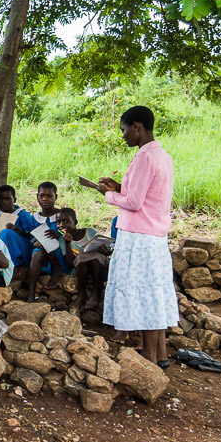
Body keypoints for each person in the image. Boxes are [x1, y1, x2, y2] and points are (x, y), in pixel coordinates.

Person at [90, 105, 177, 368]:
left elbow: (136, 202)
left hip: (138, 237)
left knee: (143, 296)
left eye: (124, 129)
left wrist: (107, 194)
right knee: (154, 293)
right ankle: (160, 355)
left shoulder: (144, 157)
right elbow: (147, 194)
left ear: (137, 126)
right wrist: (119, 187)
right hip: (155, 236)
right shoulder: (162, 155)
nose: (123, 135)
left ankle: (148, 359)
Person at [55, 208, 112, 312]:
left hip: (99, 268)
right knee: (81, 258)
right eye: (58, 222)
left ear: (75, 222)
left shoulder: (90, 232)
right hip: (82, 270)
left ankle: (96, 291)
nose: (61, 225)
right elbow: (71, 264)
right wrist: (68, 244)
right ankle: (82, 293)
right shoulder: (62, 241)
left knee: (94, 258)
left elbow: (107, 251)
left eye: (66, 221)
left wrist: (104, 249)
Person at [24, 182, 69, 301]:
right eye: (41, 196)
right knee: (37, 251)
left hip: (60, 256)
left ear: (56, 197)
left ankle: (58, 271)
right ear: (37, 197)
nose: (45, 199)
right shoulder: (33, 219)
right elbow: (32, 237)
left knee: (45, 244)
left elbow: (71, 232)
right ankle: (31, 293)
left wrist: (58, 234)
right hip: (43, 259)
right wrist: (37, 242)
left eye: (49, 196)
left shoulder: (62, 216)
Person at [0, 184, 37, 268]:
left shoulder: (22, 215)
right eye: (0, 199)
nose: (3, 202)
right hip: (4, 251)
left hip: (24, 250)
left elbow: (32, 237)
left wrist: (17, 230)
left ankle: (14, 265)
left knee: (7, 233)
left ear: (14, 200)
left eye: (7, 199)